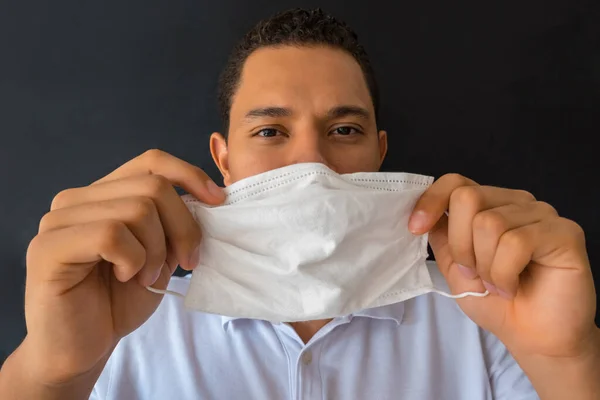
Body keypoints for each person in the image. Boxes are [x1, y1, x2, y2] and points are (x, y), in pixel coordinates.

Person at [1, 7, 599, 400]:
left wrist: (569, 361)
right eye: (269, 132)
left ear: (379, 152)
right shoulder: (126, 325)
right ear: (224, 157)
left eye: (344, 130)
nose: (311, 165)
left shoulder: (482, 318)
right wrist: (52, 373)